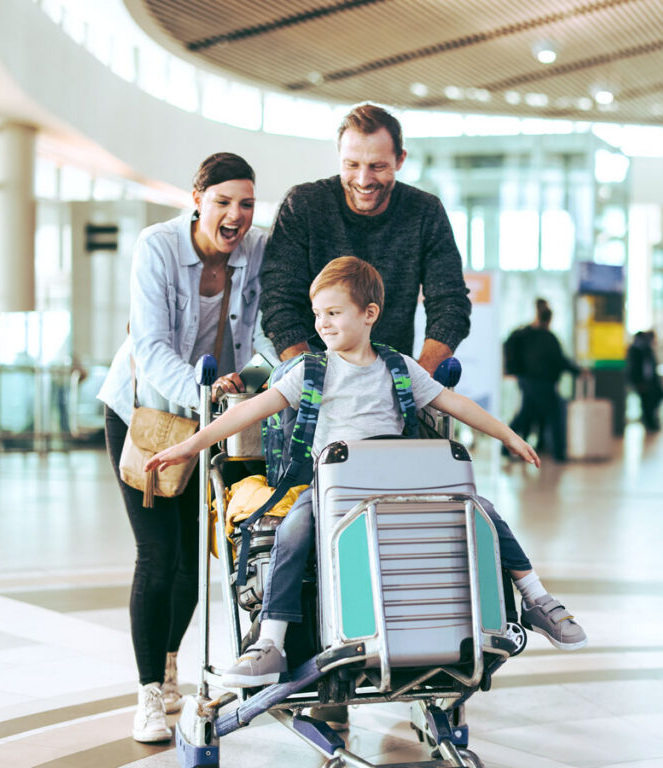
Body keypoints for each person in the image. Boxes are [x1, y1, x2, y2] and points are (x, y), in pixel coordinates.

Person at [146, 257, 588, 728]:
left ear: (369, 314)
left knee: (482, 510)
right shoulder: (309, 371)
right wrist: (192, 444)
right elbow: (252, 409)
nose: (322, 323)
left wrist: (507, 434)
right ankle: (270, 640)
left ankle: (537, 599)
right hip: (335, 484)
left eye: (334, 313)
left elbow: (451, 401)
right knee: (293, 528)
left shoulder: (398, 368)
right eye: (319, 314)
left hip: (397, 483)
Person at [97, 153, 272, 743]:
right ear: (197, 197)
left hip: (207, 423)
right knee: (158, 554)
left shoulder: (257, 249)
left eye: (245, 204)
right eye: (223, 201)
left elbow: (266, 329)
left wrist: (249, 384)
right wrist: (202, 393)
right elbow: (147, 345)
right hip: (143, 413)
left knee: (194, 563)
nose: (236, 215)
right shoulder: (159, 246)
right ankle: (148, 692)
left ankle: (171, 666)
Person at [259, 103, 471, 375]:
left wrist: (418, 380)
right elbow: (279, 302)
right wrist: (312, 378)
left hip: (393, 382)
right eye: (352, 165)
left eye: (377, 166)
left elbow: (450, 303)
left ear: (400, 160)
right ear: (339, 157)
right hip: (310, 380)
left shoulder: (425, 212)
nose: (363, 179)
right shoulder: (303, 205)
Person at [503, 298, 578, 461]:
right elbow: (560, 361)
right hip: (543, 384)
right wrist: (578, 371)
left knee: (525, 415)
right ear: (549, 319)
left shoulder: (524, 334)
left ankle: (505, 446)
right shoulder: (547, 338)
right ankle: (559, 454)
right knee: (555, 416)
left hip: (526, 382)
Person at [626, 330, 663, 432]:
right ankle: (649, 423)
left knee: (656, 397)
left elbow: (652, 366)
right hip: (641, 382)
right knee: (646, 403)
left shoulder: (647, 349)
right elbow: (632, 368)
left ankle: (651, 422)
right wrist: (637, 382)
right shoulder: (635, 349)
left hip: (651, 381)